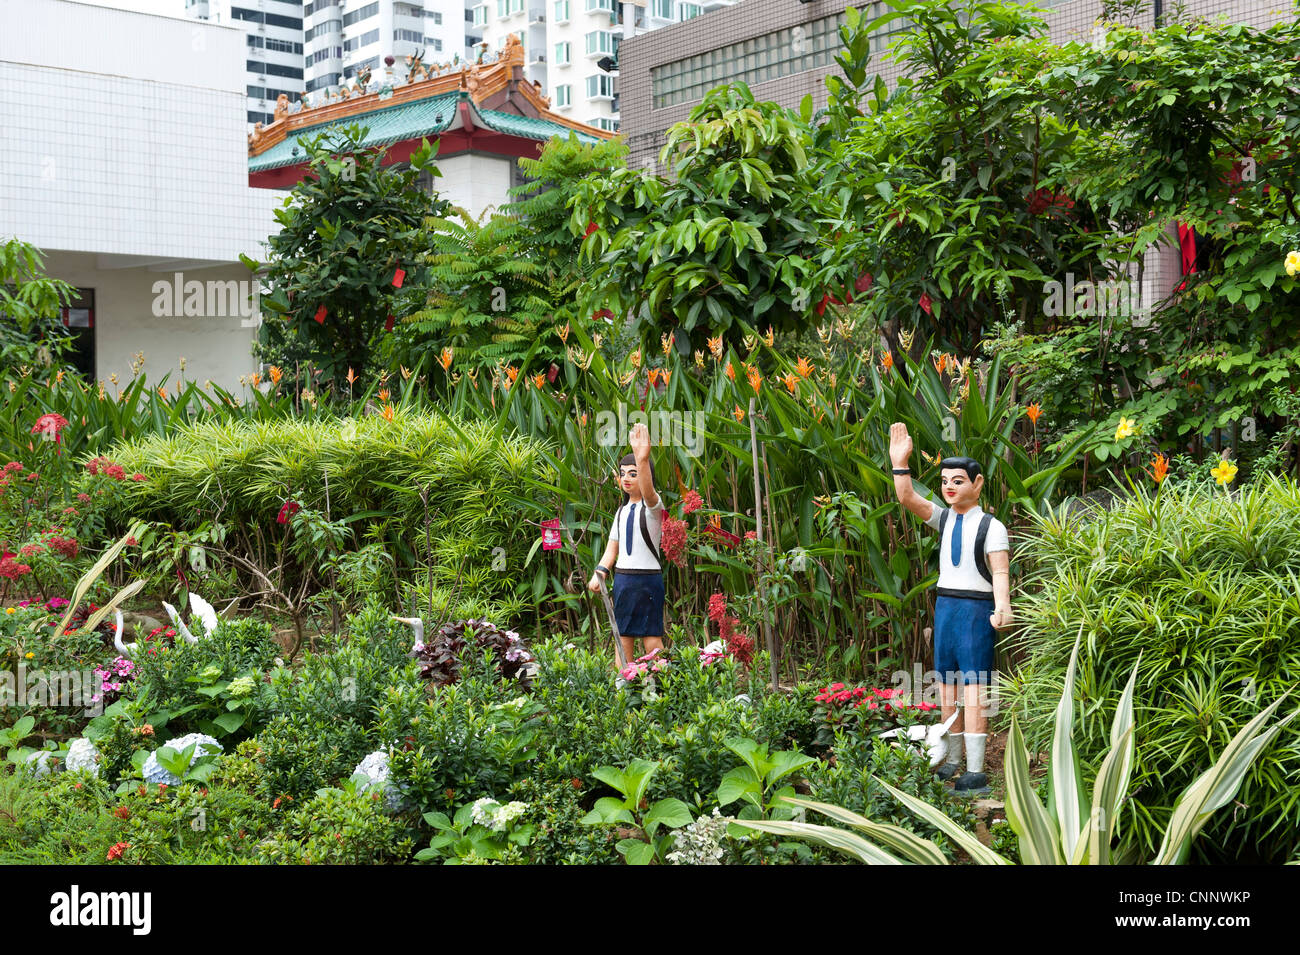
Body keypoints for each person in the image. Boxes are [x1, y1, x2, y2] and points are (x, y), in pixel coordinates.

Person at [888, 421, 1013, 795]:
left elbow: (1001, 571)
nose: (949, 487)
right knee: (946, 687)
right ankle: (953, 760)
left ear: (977, 484)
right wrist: (900, 464)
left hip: (976, 613)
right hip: (945, 609)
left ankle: (975, 769)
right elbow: (908, 498)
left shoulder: (992, 527)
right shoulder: (943, 520)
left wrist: (1003, 606)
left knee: (975, 689)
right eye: (945, 481)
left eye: (958, 480)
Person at [588, 423, 666, 665]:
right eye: (623, 473)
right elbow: (613, 548)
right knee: (622, 636)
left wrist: (642, 460)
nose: (627, 478)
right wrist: (600, 570)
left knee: (651, 636)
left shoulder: (654, 508)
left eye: (633, 473)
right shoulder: (621, 512)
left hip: (647, 580)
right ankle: (624, 685)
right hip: (623, 580)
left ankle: (660, 686)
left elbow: (649, 492)